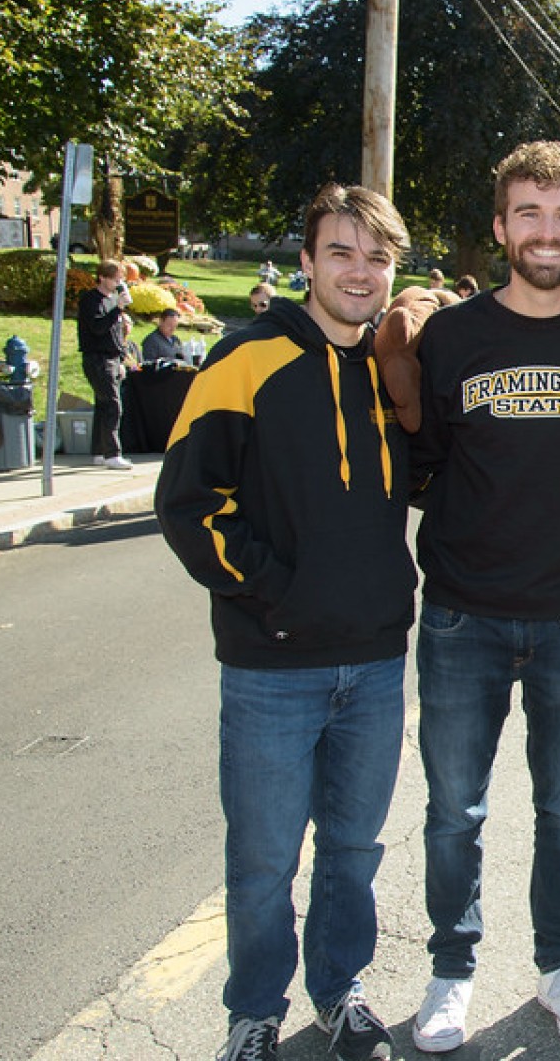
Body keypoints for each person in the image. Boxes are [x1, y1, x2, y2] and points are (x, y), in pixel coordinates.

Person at [403, 141, 560, 1053]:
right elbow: (422, 463)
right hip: (461, 615)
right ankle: (452, 970)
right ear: (501, 225)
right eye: (529, 213)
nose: (547, 232)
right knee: (453, 812)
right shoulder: (451, 337)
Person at [156, 183, 416, 1061]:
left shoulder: (393, 370)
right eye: (340, 252)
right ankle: (254, 1013)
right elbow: (189, 504)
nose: (359, 271)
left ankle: (340, 994)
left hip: (375, 663)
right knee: (265, 861)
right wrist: (276, 595)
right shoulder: (245, 358)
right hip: (271, 667)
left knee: (353, 851)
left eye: (376, 257)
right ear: (306, 262)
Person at [77, 260, 135, 470]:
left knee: (103, 405)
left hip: (112, 357)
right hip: (97, 358)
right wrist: (117, 309)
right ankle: (112, 453)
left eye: (120, 280)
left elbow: (114, 333)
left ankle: (99, 451)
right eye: (115, 279)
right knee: (112, 405)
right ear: (102, 277)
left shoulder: (111, 301)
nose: (118, 284)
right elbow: (97, 327)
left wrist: (121, 357)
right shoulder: (91, 300)